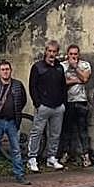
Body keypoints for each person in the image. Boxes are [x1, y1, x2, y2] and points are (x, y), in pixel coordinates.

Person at [0, 60, 29, 185]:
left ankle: (20, 175)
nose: (5, 72)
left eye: (7, 69)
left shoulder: (18, 85)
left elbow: (23, 100)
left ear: (11, 70)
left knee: (16, 150)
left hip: (12, 121)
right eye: (3, 69)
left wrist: (16, 111)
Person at [26, 41, 66, 173]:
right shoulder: (37, 67)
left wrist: (63, 103)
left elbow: (63, 86)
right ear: (45, 51)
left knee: (55, 134)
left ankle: (51, 157)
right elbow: (33, 87)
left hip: (58, 106)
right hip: (43, 106)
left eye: (54, 52)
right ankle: (32, 158)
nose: (52, 54)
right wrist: (38, 103)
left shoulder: (59, 67)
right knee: (37, 132)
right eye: (50, 51)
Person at [59, 45, 93, 167]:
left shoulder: (85, 65)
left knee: (82, 130)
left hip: (81, 101)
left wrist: (75, 68)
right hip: (67, 101)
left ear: (79, 54)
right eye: (71, 54)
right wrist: (76, 80)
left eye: (75, 54)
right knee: (67, 130)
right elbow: (61, 82)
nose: (73, 56)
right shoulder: (62, 66)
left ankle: (86, 155)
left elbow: (85, 78)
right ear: (67, 54)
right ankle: (65, 153)